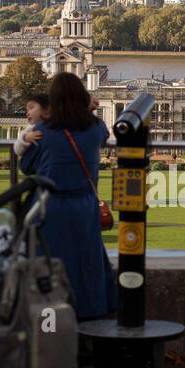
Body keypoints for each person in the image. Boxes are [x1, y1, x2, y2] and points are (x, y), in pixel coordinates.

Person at [18, 73, 117, 320]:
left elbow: (27, 167)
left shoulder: (42, 132)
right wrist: (89, 109)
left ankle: (51, 322)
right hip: (84, 206)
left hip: (49, 207)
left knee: (51, 266)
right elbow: (102, 137)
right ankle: (90, 316)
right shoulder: (95, 127)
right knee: (87, 264)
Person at [13, 92, 49, 158]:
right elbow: (17, 150)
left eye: (31, 108)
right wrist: (25, 138)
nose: (27, 113)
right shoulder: (28, 130)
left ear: (46, 109)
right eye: (27, 110)